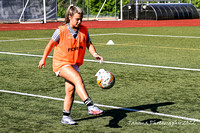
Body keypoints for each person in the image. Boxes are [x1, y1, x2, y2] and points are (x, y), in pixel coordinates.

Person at [38, 5, 104, 125]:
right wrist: (43, 59)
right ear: (69, 17)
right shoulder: (60, 30)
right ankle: (90, 106)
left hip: (73, 64)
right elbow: (49, 45)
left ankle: (66, 117)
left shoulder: (84, 30)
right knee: (78, 79)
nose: (79, 22)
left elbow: (89, 44)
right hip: (61, 63)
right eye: (76, 19)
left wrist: (95, 54)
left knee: (70, 91)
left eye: (80, 19)